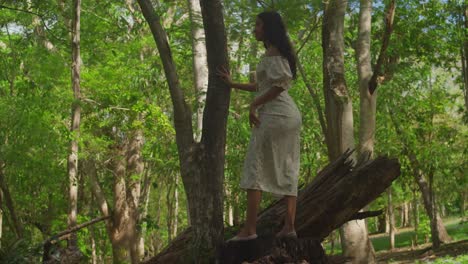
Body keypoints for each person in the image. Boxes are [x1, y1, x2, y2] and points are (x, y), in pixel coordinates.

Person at [217, 11, 302, 242]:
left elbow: (280, 84)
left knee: (255, 166)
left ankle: (250, 230)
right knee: (287, 168)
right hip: (288, 116)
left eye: (258, 25)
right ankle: (289, 227)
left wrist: (254, 105)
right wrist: (232, 84)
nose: (254, 29)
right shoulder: (275, 53)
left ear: (268, 28)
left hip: (276, 116)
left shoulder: (274, 54)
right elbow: (262, 86)